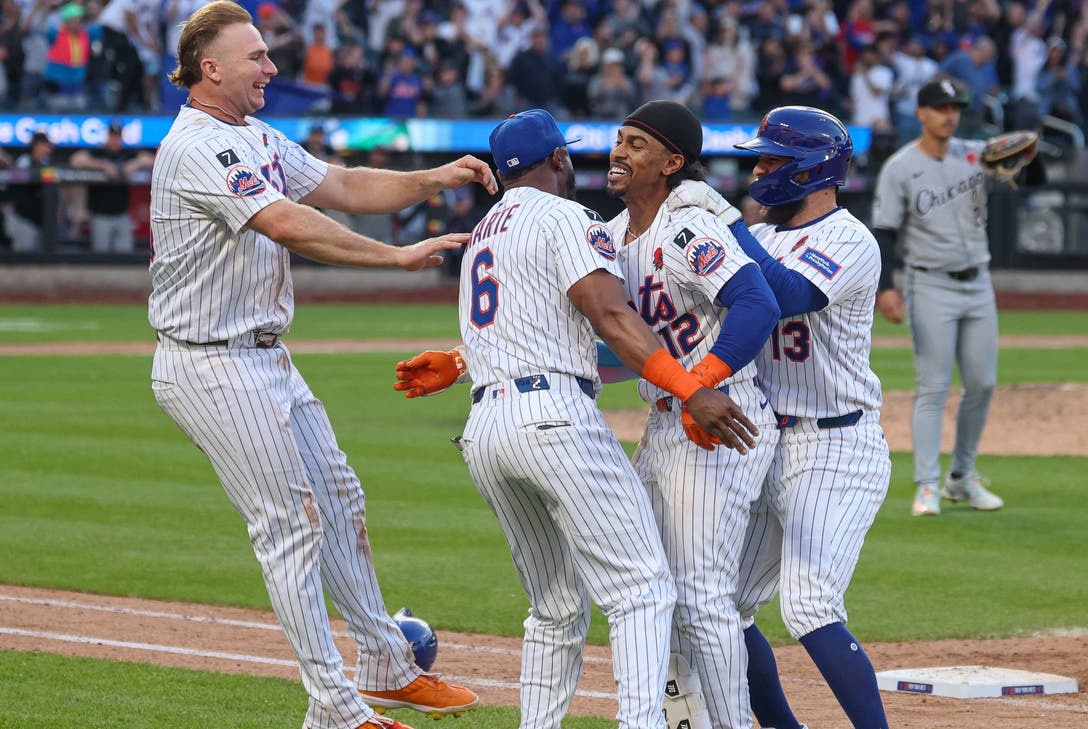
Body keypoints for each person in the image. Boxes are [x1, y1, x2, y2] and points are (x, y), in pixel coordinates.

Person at [147, 4, 494, 728]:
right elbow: (285, 221)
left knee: (339, 497)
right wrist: (395, 256)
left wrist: (435, 178)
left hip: (264, 355)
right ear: (210, 68)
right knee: (292, 525)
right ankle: (333, 707)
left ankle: (387, 665)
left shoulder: (256, 135)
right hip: (212, 361)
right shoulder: (197, 145)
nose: (271, 68)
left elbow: (343, 185)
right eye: (257, 58)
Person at [393, 108, 758, 729]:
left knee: (555, 608)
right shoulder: (567, 215)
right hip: (553, 420)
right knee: (642, 589)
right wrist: (691, 389)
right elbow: (612, 318)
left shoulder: (484, 231)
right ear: (557, 159)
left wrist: (459, 359)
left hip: (486, 428)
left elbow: (533, 325)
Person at [665, 105, 892, 728]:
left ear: (813, 172)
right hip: (763, 442)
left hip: (834, 445)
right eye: (758, 158)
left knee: (810, 605)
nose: (758, 169)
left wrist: (728, 221)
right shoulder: (759, 237)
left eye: (772, 160)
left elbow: (789, 295)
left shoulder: (850, 239)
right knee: (724, 607)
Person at [607, 100, 780, 729]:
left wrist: (702, 383)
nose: (619, 152)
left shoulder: (686, 227)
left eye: (637, 144)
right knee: (657, 591)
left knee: (704, 595)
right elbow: (609, 339)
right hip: (667, 424)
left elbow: (757, 303)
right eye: (619, 140)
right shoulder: (617, 236)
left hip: (716, 424)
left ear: (673, 162)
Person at [872, 78, 1044, 518]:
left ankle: (961, 478)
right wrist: (886, 287)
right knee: (933, 385)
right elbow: (886, 231)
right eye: (941, 107)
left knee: (983, 384)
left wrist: (1030, 155)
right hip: (929, 282)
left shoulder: (975, 154)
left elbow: (1031, 180)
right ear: (922, 113)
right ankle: (926, 485)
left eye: (955, 107)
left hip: (978, 282)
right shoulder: (900, 166)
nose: (950, 114)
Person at [69, 122, 154, 253]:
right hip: (100, 215)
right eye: (112, 136)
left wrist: (135, 164)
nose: (115, 140)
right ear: (107, 136)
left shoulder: (126, 153)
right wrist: (103, 165)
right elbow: (76, 160)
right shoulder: (99, 152)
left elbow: (152, 159)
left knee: (125, 254)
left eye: (118, 136)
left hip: (122, 214)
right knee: (101, 255)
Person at [3, 131, 53, 252]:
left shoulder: (46, 163)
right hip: (23, 218)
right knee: (23, 254)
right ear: (36, 145)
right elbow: (12, 186)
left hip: (39, 220)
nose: (49, 149)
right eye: (45, 145)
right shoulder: (24, 161)